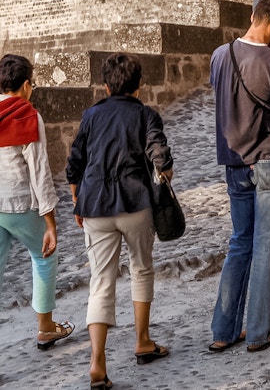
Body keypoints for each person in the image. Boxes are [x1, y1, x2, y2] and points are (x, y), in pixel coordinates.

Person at [66, 53, 173, 390]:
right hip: (135, 201)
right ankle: (142, 341)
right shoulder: (146, 115)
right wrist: (163, 173)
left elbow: (75, 162)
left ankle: (97, 360)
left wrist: (76, 196)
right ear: (139, 86)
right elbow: (162, 158)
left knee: (101, 280)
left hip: (95, 204)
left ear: (106, 85)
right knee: (141, 268)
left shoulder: (91, 115)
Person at [209, 0, 270, 353]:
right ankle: (261, 330)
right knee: (265, 247)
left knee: (240, 242)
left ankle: (223, 330)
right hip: (269, 158)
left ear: (251, 17)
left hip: (233, 161)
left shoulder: (219, 55)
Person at [0, 54, 74, 351]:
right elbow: (40, 172)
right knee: (44, 256)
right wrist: (50, 223)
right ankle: (45, 328)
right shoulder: (28, 115)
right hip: (20, 204)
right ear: (28, 85)